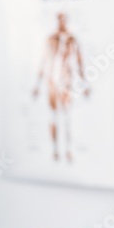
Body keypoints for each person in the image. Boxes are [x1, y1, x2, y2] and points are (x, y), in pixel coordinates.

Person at [32, 11, 90, 163]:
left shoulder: (72, 39)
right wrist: (37, 85)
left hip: (66, 80)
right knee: (53, 116)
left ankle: (68, 150)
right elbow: (44, 61)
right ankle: (55, 150)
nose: (62, 21)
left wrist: (84, 83)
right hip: (52, 80)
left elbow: (79, 61)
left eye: (64, 18)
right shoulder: (51, 39)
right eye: (60, 18)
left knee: (66, 116)